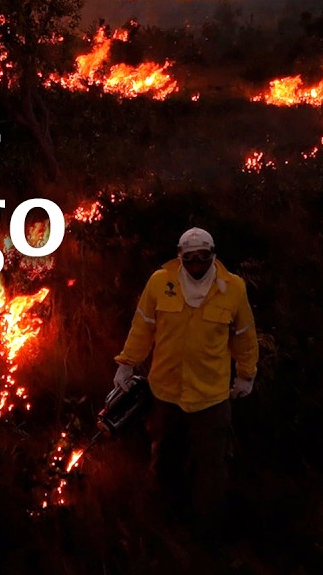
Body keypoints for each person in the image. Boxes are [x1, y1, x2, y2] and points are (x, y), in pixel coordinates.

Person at [112, 226, 258, 541]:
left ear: (212, 255)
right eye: (189, 259)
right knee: (165, 462)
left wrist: (246, 375)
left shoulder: (232, 288)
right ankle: (162, 528)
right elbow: (143, 327)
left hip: (211, 397)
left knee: (211, 470)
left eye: (202, 258)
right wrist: (126, 364)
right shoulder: (160, 282)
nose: (195, 265)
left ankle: (206, 535)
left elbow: (244, 335)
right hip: (165, 392)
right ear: (180, 257)